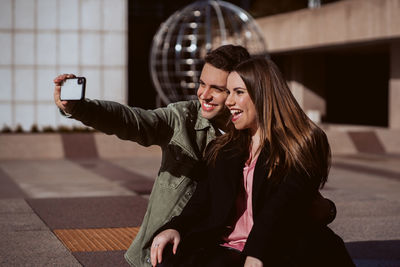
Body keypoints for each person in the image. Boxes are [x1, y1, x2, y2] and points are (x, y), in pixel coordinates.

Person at [150, 57, 354, 267]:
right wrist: (175, 227)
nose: (229, 101)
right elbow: (200, 203)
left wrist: (257, 252)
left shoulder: (302, 142)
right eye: (229, 92)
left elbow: (282, 205)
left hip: (281, 246)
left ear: (262, 94)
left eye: (238, 92)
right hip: (223, 247)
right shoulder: (222, 148)